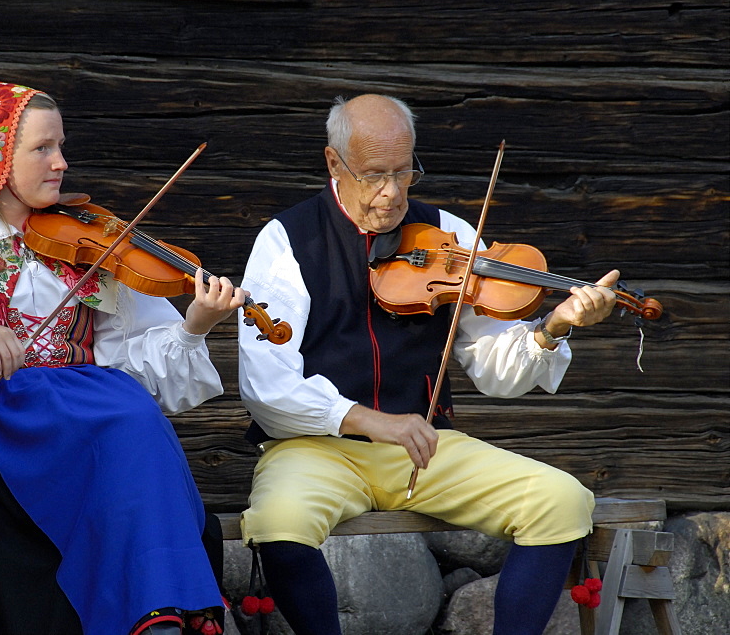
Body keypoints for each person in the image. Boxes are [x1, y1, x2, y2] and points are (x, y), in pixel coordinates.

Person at [0, 78, 243, 635]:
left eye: (61, 146)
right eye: (42, 149)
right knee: (122, 417)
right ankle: (158, 608)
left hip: (88, 421)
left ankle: (160, 612)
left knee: (129, 411)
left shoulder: (91, 247)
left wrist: (196, 324)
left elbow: (135, 361)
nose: (61, 162)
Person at [236, 94, 620, 635]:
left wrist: (553, 328)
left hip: (423, 447)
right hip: (314, 449)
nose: (391, 192)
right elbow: (265, 385)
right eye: (373, 175)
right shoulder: (287, 241)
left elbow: (494, 370)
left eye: (403, 171)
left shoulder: (450, 235)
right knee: (279, 523)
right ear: (333, 163)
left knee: (562, 501)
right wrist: (372, 420)